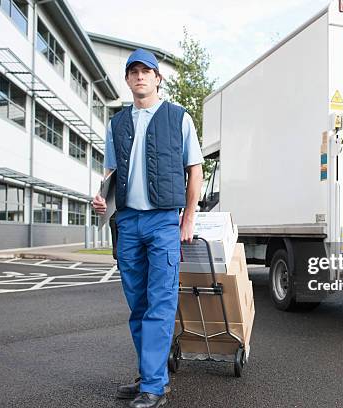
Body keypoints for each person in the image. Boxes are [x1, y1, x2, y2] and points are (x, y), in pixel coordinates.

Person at [93, 48, 203, 408]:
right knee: (138, 305)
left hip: (162, 222)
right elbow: (111, 172)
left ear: (158, 78)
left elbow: (195, 169)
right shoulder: (117, 124)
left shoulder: (178, 117)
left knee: (160, 302)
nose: (140, 76)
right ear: (127, 80)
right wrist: (100, 196)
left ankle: (154, 386)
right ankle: (149, 372)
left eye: (146, 71)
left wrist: (188, 217)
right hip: (127, 221)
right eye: (133, 71)